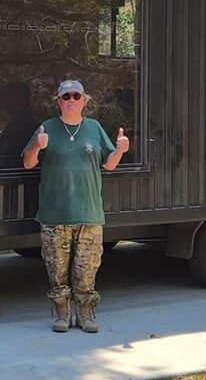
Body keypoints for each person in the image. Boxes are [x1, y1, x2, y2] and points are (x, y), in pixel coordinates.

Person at [22, 79, 129, 333]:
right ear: (58, 102)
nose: (71, 100)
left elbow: (109, 164)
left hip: (89, 214)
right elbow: (28, 163)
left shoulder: (94, 128)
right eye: (66, 96)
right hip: (55, 215)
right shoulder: (46, 128)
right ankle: (61, 314)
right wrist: (38, 146)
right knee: (57, 271)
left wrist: (121, 150)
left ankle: (86, 314)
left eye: (76, 96)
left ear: (84, 101)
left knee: (87, 270)